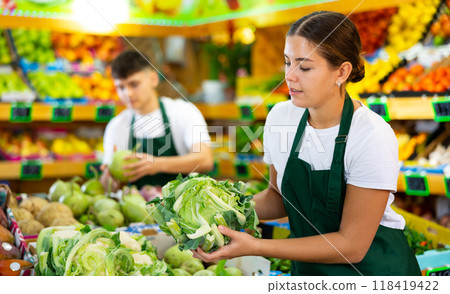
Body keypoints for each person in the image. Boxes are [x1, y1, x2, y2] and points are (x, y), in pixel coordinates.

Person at [193, 11, 421, 276]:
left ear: (342, 71)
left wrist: (256, 246)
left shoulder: (371, 135)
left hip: (373, 271)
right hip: (311, 275)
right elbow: (278, 198)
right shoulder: (281, 117)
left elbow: (352, 246)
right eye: (287, 62)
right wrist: (219, 210)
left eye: (304, 67)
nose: (289, 76)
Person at [100, 51, 213, 190]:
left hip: (181, 206)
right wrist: (110, 176)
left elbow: (205, 160)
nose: (127, 94)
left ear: (153, 79)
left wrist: (156, 164)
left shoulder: (184, 112)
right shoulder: (116, 126)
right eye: (120, 87)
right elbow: (107, 187)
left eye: (134, 84)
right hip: (138, 208)